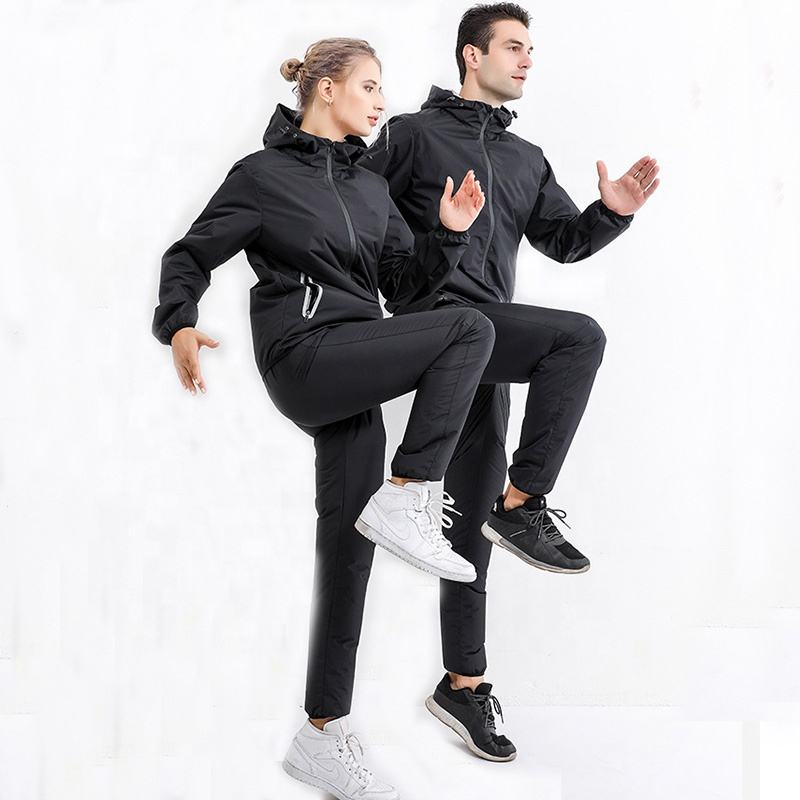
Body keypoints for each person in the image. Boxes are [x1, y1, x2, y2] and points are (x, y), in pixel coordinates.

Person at [151, 37, 494, 800]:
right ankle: (412, 490)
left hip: (355, 365)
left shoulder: (370, 188)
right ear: (328, 89)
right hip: (304, 355)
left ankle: (322, 733)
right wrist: (179, 322)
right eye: (369, 86)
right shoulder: (262, 176)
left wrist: (447, 233)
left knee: (348, 550)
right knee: (471, 329)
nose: (381, 102)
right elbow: (191, 254)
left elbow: (404, 290)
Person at [360, 3, 660, 762]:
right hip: (434, 323)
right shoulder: (410, 134)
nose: (528, 60)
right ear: (472, 54)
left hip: (486, 345)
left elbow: (563, 241)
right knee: (578, 338)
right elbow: (352, 210)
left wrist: (609, 214)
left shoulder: (526, 158)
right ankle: (523, 504)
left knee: (467, 529)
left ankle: (463, 685)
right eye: (514, 47)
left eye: (532, 49)